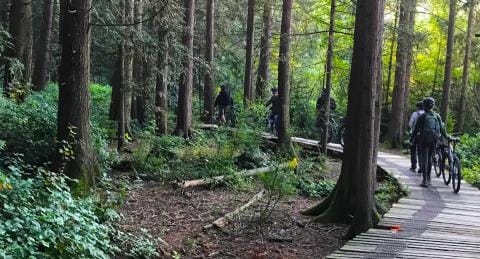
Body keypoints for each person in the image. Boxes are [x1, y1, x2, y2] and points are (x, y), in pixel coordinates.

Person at [411, 97, 449, 187]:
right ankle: (429, 178)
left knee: (425, 158)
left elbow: (416, 129)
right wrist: (447, 136)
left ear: (424, 105)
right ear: (433, 106)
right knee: (430, 158)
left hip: (424, 139)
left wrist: (411, 139)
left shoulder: (422, 116)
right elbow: (442, 129)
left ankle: (424, 180)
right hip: (434, 139)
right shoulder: (437, 116)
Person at [408, 101, 425, 173]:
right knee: (420, 151)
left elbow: (410, 124)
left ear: (418, 107)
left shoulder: (415, 114)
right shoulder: (426, 114)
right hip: (423, 136)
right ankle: (421, 167)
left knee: (413, 150)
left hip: (415, 135)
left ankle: (413, 166)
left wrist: (413, 129)